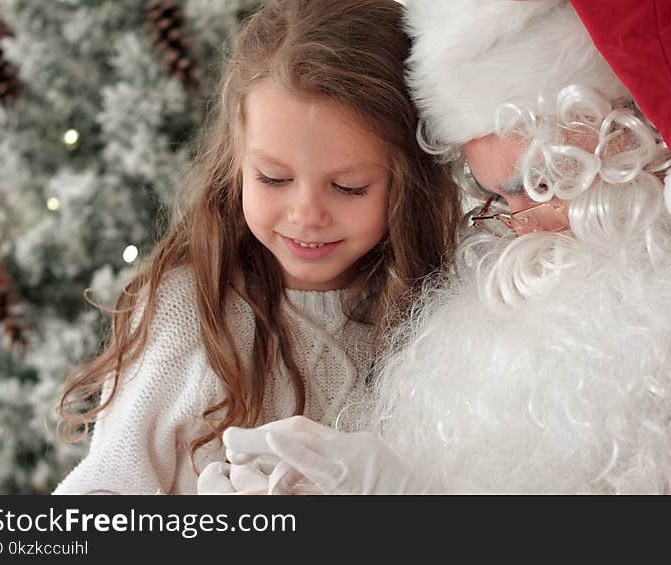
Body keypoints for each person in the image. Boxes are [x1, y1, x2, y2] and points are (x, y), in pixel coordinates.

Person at [222, 0, 671, 494]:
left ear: (653, 132)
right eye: (500, 196)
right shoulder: (546, 270)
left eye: (546, 182)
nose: (517, 226)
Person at [51, 0, 460, 495]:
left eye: (349, 186)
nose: (306, 213)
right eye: (274, 178)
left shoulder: (440, 316)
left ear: (410, 181)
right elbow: (104, 487)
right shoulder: (191, 311)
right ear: (237, 162)